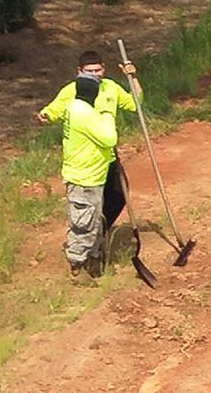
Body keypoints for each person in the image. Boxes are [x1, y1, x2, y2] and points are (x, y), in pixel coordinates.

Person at [37, 50, 140, 279]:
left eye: (98, 70)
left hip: (105, 162)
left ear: (104, 69)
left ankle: (96, 241)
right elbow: (55, 109)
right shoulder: (75, 98)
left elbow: (136, 104)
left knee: (115, 198)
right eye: (90, 72)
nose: (95, 76)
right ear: (80, 73)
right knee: (86, 214)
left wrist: (133, 79)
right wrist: (46, 115)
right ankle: (84, 258)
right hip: (86, 169)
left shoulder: (110, 88)